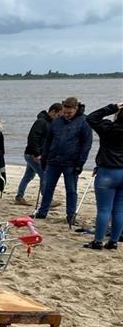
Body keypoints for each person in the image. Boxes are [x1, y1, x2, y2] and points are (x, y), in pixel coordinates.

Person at [35, 97, 93, 225]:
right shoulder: (57, 121)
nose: (66, 115)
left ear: (76, 109)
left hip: (71, 163)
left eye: (69, 113)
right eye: (64, 112)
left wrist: (80, 163)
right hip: (53, 160)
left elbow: (86, 144)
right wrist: (44, 157)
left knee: (71, 190)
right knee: (48, 187)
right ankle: (42, 211)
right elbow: (48, 140)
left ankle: (71, 215)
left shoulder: (84, 121)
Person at [83, 101, 123, 250]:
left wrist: (113, 107)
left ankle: (98, 241)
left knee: (104, 209)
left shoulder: (108, 128)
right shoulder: (108, 127)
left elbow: (91, 118)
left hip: (108, 171)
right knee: (119, 210)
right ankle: (113, 242)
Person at [14, 102, 63, 205]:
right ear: (53, 112)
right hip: (33, 155)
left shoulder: (50, 123)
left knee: (28, 175)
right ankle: (46, 199)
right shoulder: (41, 122)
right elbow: (32, 138)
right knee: (44, 175)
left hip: (36, 154)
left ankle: (19, 196)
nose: (59, 118)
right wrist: (36, 154)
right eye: (59, 115)